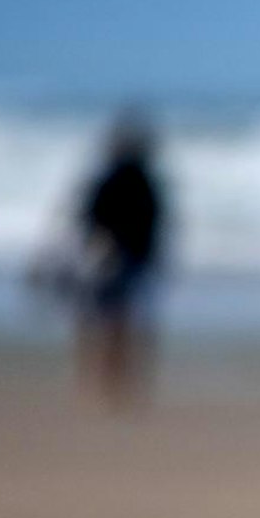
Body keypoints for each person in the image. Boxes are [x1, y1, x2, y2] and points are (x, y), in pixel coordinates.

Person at [72, 109, 169, 410]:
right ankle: (111, 382)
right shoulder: (132, 180)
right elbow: (90, 218)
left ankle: (114, 382)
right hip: (118, 261)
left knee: (114, 322)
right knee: (116, 322)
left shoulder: (137, 180)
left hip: (127, 261)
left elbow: (87, 218)